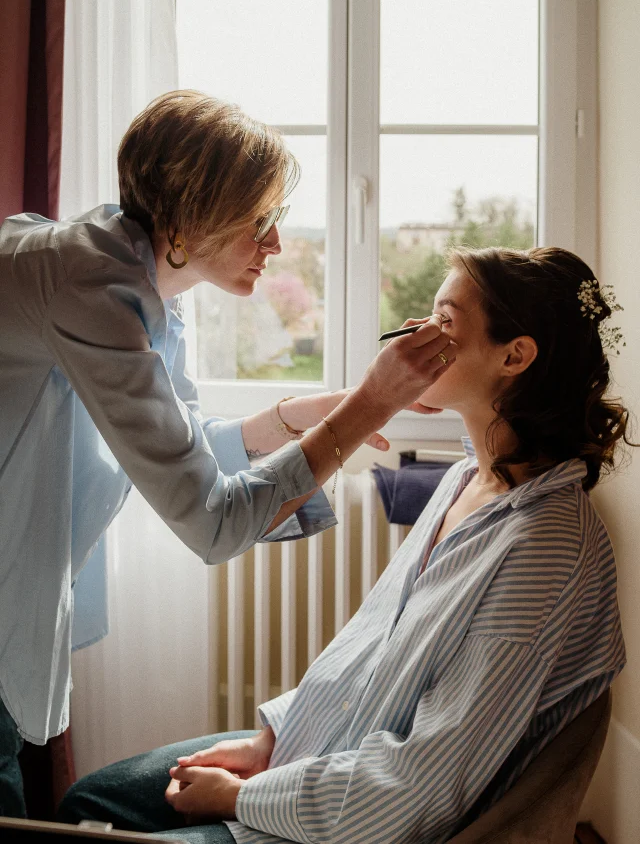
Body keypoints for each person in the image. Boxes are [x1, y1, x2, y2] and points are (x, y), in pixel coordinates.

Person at [58, 245, 629, 844]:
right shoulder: (468, 479)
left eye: (444, 321)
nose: (416, 332)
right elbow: (369, 650)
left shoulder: (544, 545)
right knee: (89, 801)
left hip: (356, 822)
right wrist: (270, 740)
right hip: (323, 755)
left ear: (514, 355)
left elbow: (424, 784)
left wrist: (245, 797)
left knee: (90, 820)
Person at [0, 90, 457, 817]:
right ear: (189, 219)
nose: (275, 243)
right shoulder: (91, 286)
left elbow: (185, 449)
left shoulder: (141, 287)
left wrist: (320, 410)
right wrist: (369, 404)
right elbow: (209, 519)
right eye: (260, 221)